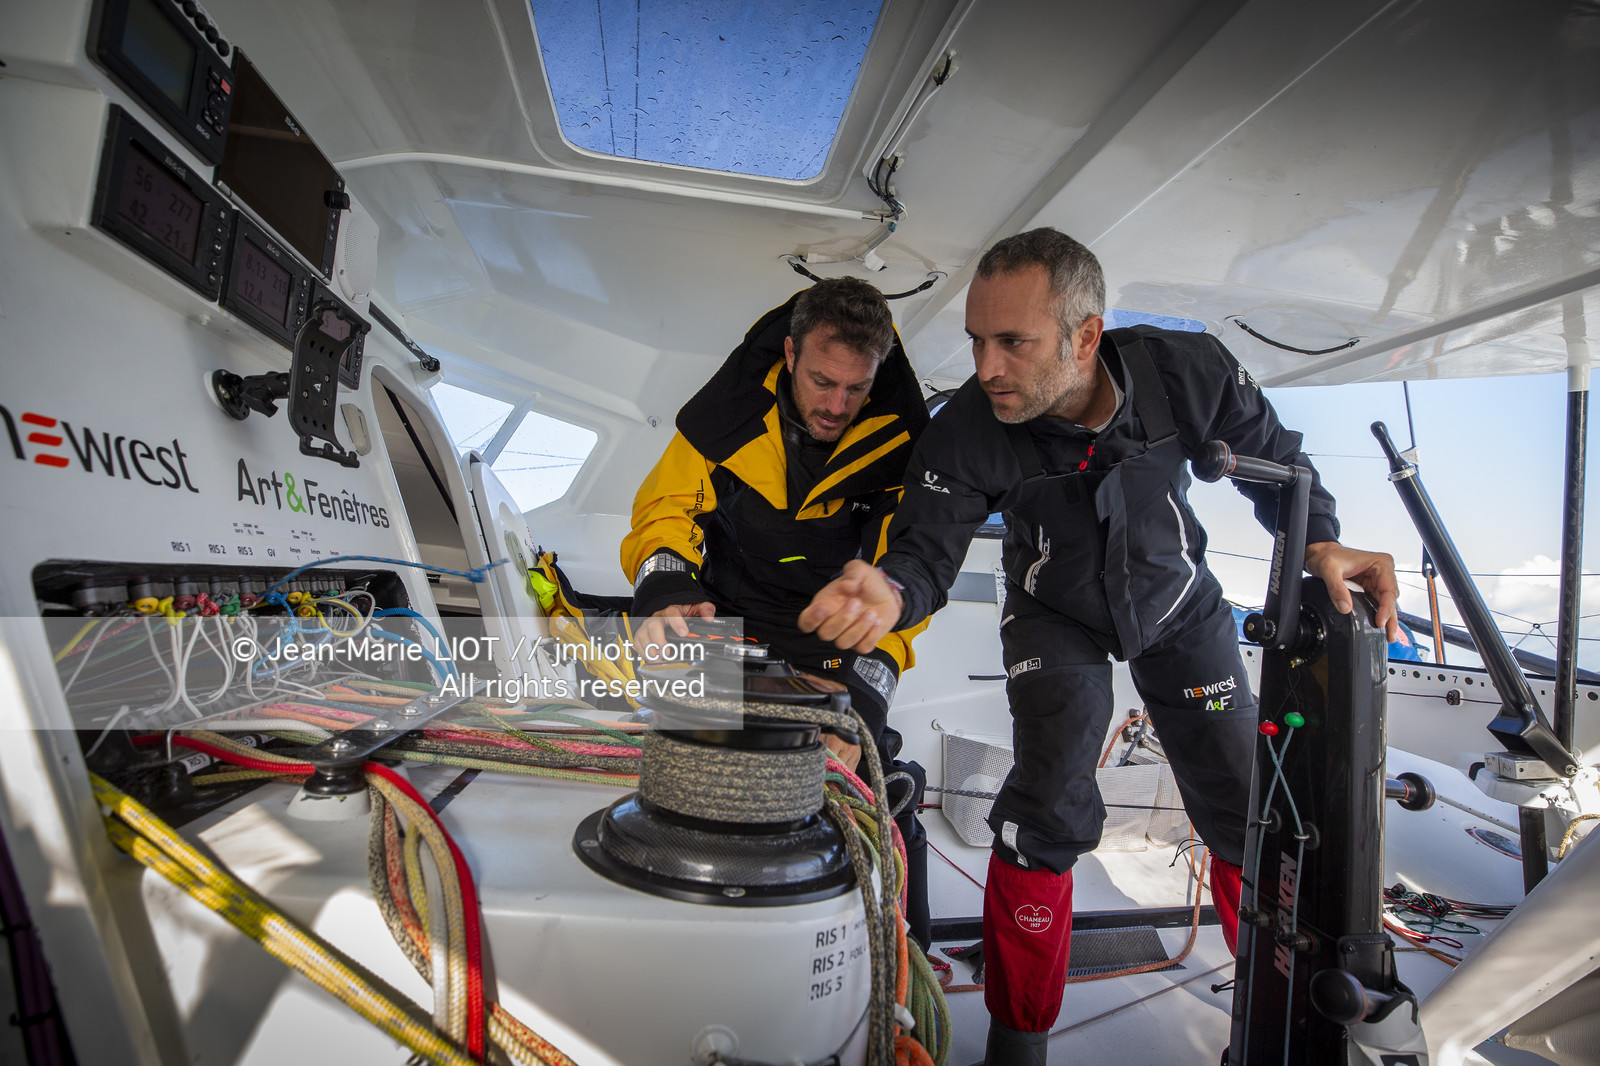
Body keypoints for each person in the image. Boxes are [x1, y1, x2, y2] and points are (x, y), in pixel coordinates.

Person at [798, 229, 1399, 1064]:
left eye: (1013, 342)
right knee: (1044, 807)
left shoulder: (1186, 371)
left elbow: (1280, 463)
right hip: (1054, 616)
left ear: (1086, 336)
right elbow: (926, 554)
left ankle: (1285, 1013)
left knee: (1246, 808)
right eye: (977, 341)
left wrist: (1320, 543)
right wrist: (892, 590)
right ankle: (1018, 1043)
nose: (987, 368)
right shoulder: (967, 431)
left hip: (1179, 606)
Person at [620, 276, 934, 947]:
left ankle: (904, 956)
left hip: (829, 631)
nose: (837, 405)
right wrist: (666, 591)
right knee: (686, 763)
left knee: (870, 778)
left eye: (856, 388)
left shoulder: (903, 442)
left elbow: (898, 587)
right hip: (723, 614)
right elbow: (664, 513)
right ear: (790, 354)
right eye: (823, 381)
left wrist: (863, 701)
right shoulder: (725, 415)